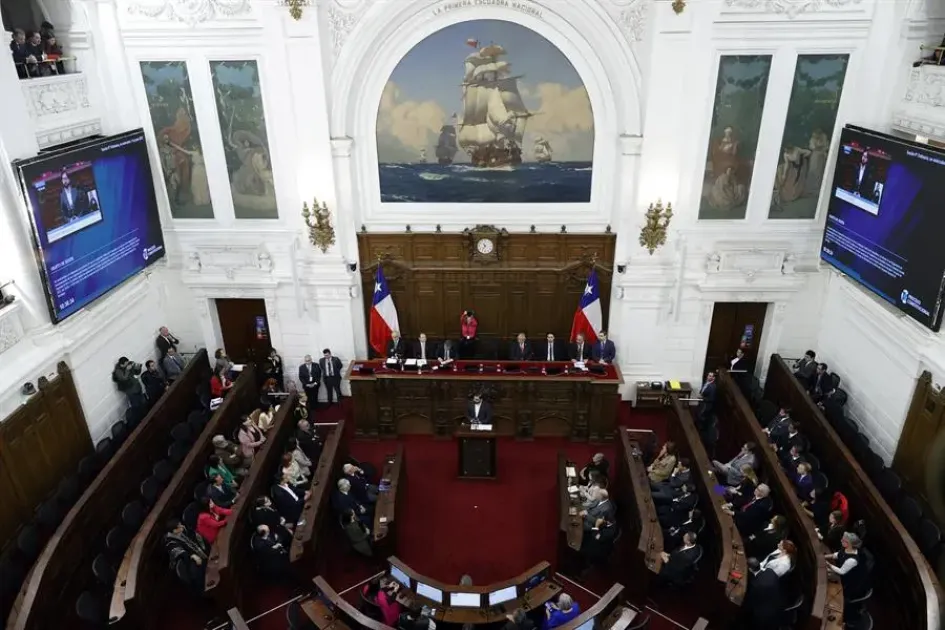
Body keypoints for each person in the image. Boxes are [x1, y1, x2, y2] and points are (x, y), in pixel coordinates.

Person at [164, 518, 208, 593]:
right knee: (197, 575)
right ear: (174, 531)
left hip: (197, 555)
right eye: (179, 526)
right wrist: (192, 555)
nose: (182, 526)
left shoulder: (182, 531)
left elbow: (194, 536)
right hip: (187, 564)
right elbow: (181, 554)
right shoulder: (170, 543)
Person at [741, 557, 784, 628]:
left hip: (763, 617)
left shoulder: (755, 584)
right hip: (777, 608)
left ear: (750, 569)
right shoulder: (771, 571)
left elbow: (751, 602)